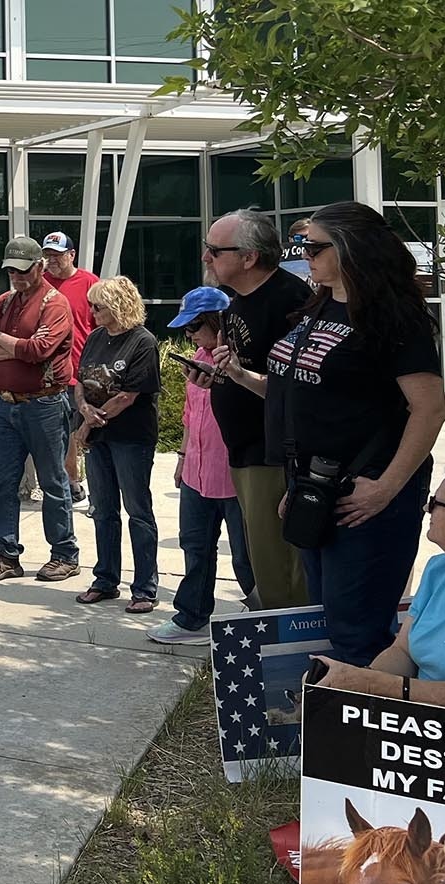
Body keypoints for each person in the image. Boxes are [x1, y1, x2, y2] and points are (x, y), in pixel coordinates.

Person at [261, 200, 445, 666]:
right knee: (331, 621)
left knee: (357, 634)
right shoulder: (318, 303)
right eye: (302, 243)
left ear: (350, 248)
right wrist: (297, 483)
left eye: (313, 245)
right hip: (315, 490)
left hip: (366, 495)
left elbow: (430, 409)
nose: (303, 253)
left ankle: (360, 732)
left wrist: (386, 488)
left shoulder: (393, 317)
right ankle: (333, 727)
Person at [311, 462, 445, 715]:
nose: (427, 508)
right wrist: (353, 682)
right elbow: (403, 651)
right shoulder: (440, 568)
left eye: (437, 503)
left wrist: (375, 685)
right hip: (426, 727)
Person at [199, 208, 312, 610]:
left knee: (282, 570)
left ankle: (292, 659)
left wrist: (240, 376)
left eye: (215, 249)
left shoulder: (291, 302)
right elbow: (242, 366)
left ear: (249, 257)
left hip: (274, 455)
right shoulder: (235, 304)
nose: (206, 257)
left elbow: (296, 390)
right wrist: (217, 377)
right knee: (264, 563)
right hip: (245, 450)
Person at [148, 288, 256, 644]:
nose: (190, 334)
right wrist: (181, 457)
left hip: (235, 474)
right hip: (196, 470)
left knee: (246, 557)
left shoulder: (242, 362)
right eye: (187, 328)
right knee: (195, 546)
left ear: (217, 322)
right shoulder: (198, 355)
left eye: (195, 326)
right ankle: (191, 617)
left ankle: (265, 619)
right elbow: (190, 414)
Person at [0, 236, 80, 584]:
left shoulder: (55, 303)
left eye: (22, 271)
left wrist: (3, 342)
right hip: (3, 403)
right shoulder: (3, 303)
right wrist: (10, 346)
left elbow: (40, 350)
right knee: (3, 481)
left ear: (39, 267)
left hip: (44, 403)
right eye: (11, 272)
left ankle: (64, 554)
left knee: (53, 480)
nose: (16, 278)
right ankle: (5, 554)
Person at [72, 276, 162, 613]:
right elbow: (80, 380)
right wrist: (83, 410)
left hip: (131, 438)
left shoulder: (142, 341)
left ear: (119, 306)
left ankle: (145, 588)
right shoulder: (95, 337)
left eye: (99, 306)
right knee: (103, 510)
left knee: (137, 511)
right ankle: (106, 579)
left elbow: (128, 395)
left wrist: (90, 422)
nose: (92, 311)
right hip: (99, 437)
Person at [41, 231, 100, 509]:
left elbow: (102, 326)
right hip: (53, 374)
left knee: (87, 431)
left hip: (86, 372)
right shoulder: (41, 285)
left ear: (71, 255)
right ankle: (73, 484)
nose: (51, 260)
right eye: (48, 255)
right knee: (61, 432)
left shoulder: (90, 283)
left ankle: (95, 488)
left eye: (57, 255)